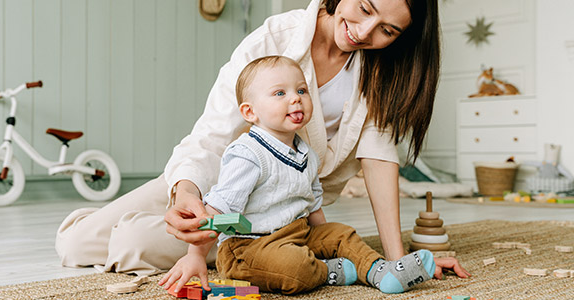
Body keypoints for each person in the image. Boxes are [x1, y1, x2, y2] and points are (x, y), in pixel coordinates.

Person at [55, 0, 470, 280]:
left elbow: (379, 160)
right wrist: (186, 191)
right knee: (74, 242)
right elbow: (211, 134)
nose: (364, 32)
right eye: (364, 9)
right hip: (218, 178)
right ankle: (132, 220)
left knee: (131, 242)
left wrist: (399, 261)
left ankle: (254, 246)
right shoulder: (273, 39)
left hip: (275, 212)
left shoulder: (382, 72)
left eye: (388, 30)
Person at [158, 55, 438, 295]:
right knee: (295, 266)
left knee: (343, 234)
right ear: (250, 112)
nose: (295, 98)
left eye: (302, 91)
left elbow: (312, 204)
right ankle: (328, 271)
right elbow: (218, 210)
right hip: (248, 249)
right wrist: (194, 255)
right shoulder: (248, 154)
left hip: (297, 233)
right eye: (280, 93)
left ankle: (382, 272)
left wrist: (327, 242)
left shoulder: (306, 152)